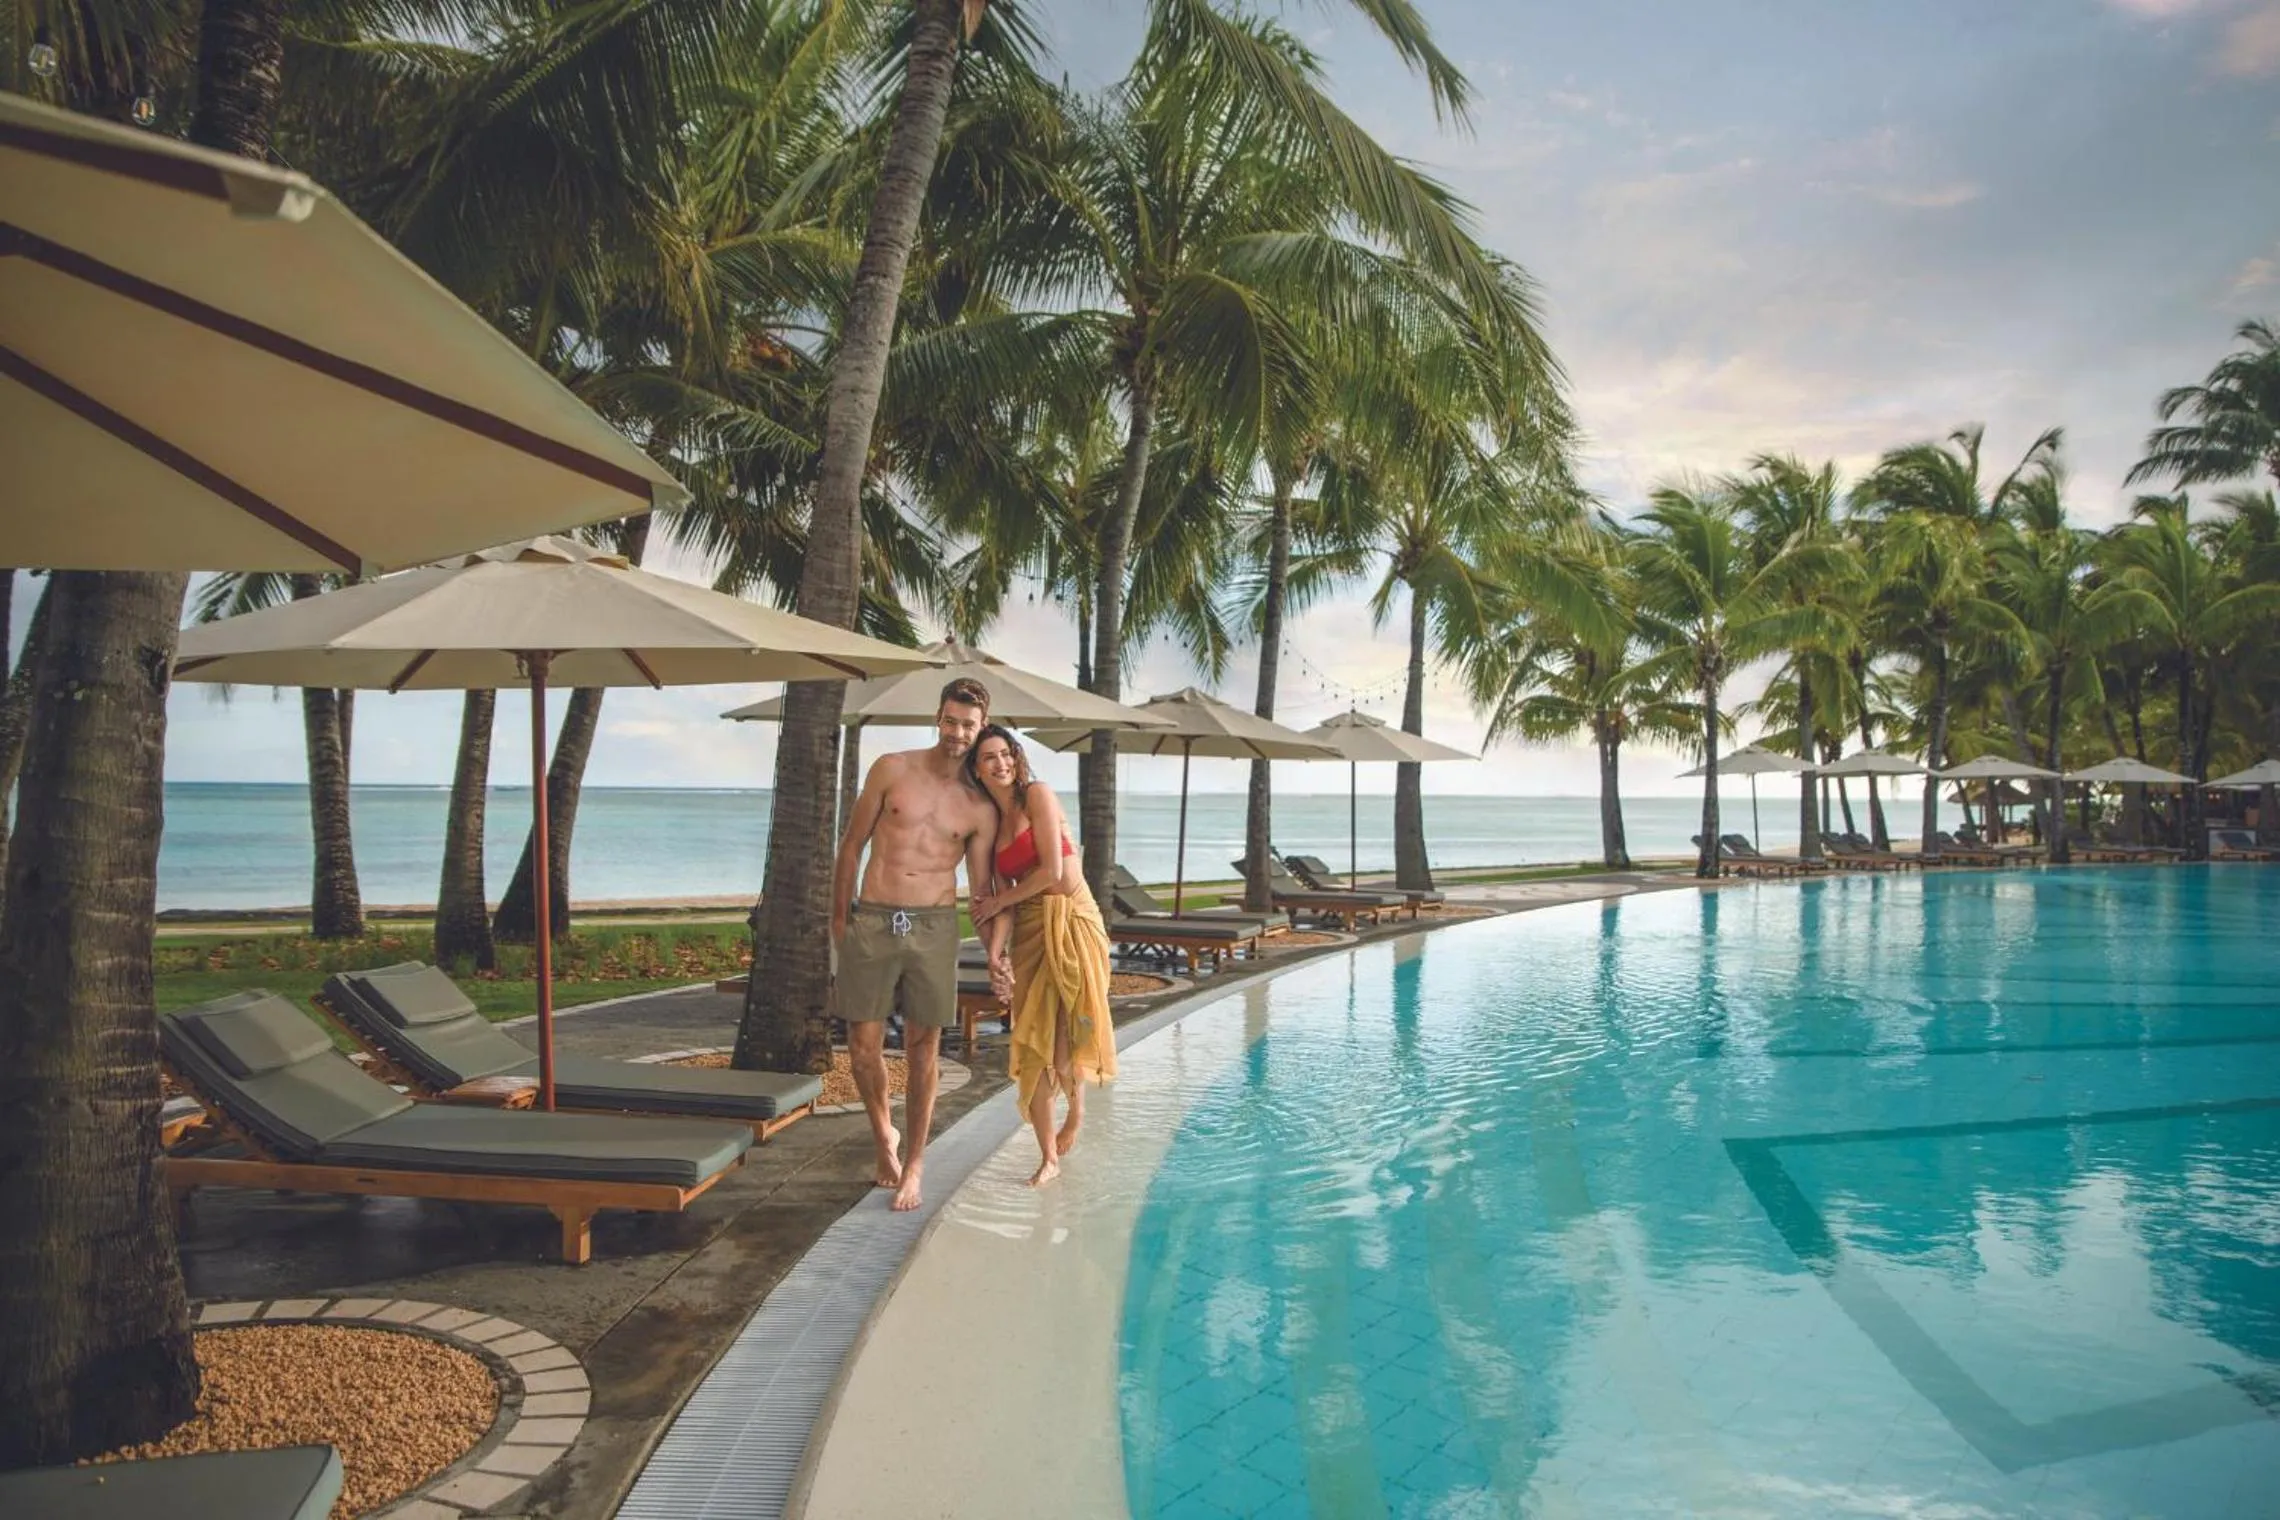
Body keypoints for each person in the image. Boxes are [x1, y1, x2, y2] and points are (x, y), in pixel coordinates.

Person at [832, 676, 999, 1211]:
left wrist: (996, 950)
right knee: (862, 1046)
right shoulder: (892, 768)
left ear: (981, 728)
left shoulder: (979, 806)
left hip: (934, 927)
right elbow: (852, 844)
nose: (956, 732)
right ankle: (885, 1135)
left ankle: (916, 1163)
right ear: (938, 718)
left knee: (924, 1049)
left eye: (967, 725)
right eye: (950, 721)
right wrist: (840, 920)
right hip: (875, 918)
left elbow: (981, 890)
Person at [966, 725, 1117, 1188]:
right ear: (976, 768)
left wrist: (997, 903)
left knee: (1070, 1031)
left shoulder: (1039, 795)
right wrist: (994, 955)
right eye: (988, 758)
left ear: (1016, 756)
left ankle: (1076, 1111)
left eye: (1005, 753)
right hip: (1031, 929)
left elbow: (1052, 869)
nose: (1001, 764)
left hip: (1073, 917)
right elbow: (1004, 901)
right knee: (1032, 1038)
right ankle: (1047, 1154)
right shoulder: (991, 825)